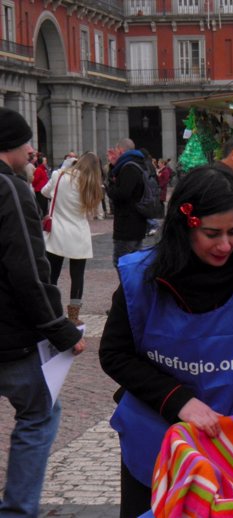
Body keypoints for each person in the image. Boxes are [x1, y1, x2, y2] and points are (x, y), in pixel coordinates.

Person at [99, 164, 233, 517]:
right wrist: (179, 401)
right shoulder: (141, 279)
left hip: (232, 449)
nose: (225, 245)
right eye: (212, 233)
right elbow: (115, 355)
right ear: (186, 227)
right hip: (154, 443)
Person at [0, 107, 86, 516]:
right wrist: (61, 330)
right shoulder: (10, 190)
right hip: (9, 338)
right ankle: (17, 511)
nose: (32, 150)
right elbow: (29, 269)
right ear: (8, 146)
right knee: (39, 413)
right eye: (26, 142)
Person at [41, 151, 104, 325]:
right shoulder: (92, 185)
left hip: (58, 231)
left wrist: (64, 168)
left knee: (52, 274)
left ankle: (51, 310)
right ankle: (74, 316)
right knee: (77, 276)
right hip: (79, 232)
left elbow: (45, 192)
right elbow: (95, 210)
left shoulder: (59, 176)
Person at [105, 138, 149, 267]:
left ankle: (128, 287)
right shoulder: (139, 163)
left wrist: (109, 188)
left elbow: (122, 194)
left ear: (120, 150)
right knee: (134, 261)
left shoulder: (129, 168)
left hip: (127, 223)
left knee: (122, 262)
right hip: (138, 221)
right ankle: (126, 287)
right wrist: (113, 166)